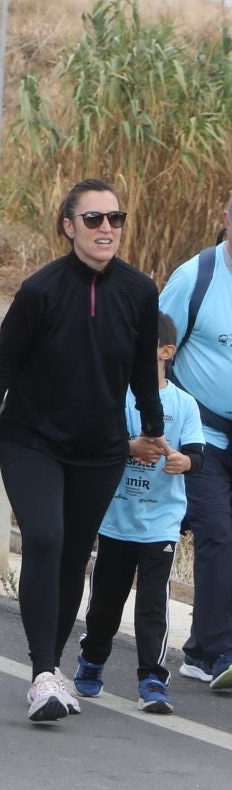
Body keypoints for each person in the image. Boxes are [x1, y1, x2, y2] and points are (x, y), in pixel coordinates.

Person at [0, 178, 167, 722]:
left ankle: (51, 671)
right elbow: (2, 366)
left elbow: (144, 370)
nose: (107, 229)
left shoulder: (140, 291)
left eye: (115, 219)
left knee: (74, 556)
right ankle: (43, 672)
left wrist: (153, 426)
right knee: (47, 540)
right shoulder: (40, 289)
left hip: (100, 449)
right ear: (68, 226)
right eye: (94, 219)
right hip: (33, 441)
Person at [73, 313, 204, 715]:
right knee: (105, 604)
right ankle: (93, 658)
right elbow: (95, 442)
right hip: (115, 518)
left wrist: (183, 462)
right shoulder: (116, 396)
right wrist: (130, 447)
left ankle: (152, 677)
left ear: (167, 352)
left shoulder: (184, 404)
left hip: (161, 523)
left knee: (153, 605)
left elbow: (197, 453)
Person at [162, 192, 232, 689]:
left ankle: (211, 646)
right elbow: (153, 351)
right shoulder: (196, 278)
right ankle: (212, 653)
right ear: (225, 218)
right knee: (218, 533)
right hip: (200, 432)